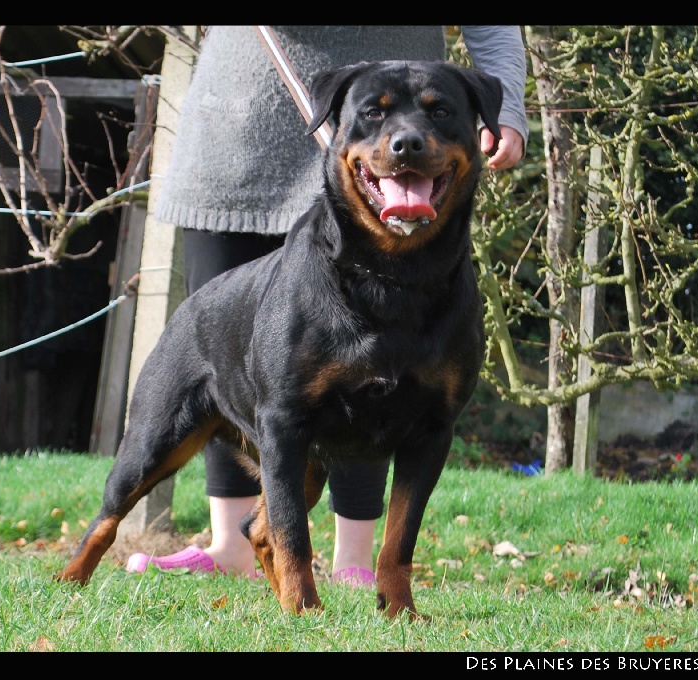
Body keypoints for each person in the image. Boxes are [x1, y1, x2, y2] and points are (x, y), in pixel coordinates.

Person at [125, 25, 528, 588]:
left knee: (375, 355)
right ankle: (233, 544)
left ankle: (357, 561)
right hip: (237, 127)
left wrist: (507, 106)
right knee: (235, 350)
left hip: (396, 121)